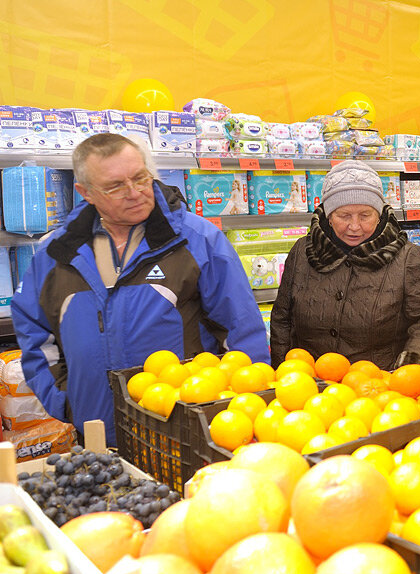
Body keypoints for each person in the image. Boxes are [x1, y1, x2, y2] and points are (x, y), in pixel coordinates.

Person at [11, 133, 269, 443]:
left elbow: (242, 332)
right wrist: (66, 401)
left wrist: (242, 412)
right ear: (85, 192)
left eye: (140, 178)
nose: (134, 193)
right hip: (96, 433)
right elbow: (35, 334)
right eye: (115, 186)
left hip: (185, 431)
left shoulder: (197, 240)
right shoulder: (56, 253)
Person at [270, 160, 420, 370]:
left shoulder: (407, 257)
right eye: (344, 216)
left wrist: (407, 367)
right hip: (309, 385)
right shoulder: (303, 251)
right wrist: (282, 372)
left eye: (365, 215)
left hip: (379, 387)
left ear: (380, 214)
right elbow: (282, 318)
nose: (354, 226)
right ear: (328, 215)